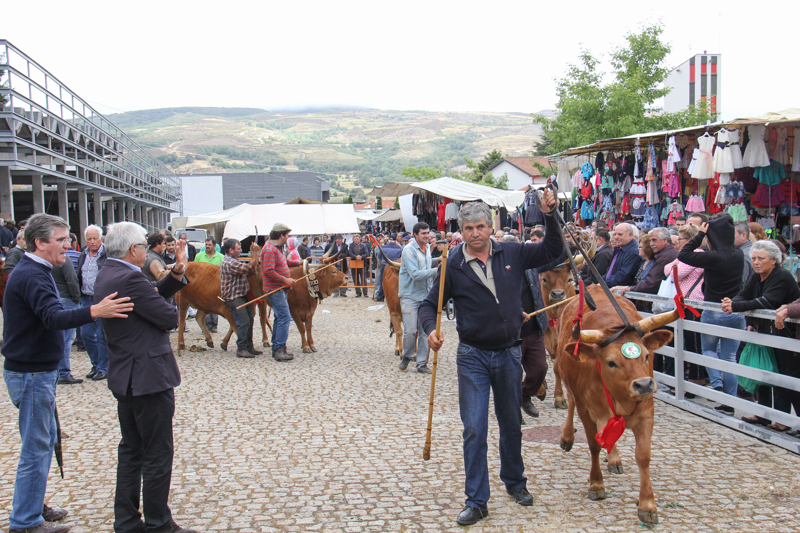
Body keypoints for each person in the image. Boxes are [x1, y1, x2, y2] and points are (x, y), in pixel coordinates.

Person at [420, 196, 564, 526]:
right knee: (474, 428)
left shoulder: (512, 253)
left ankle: (515, 483)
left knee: (511, 424)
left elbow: (552, 251)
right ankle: (477, 500)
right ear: (462, 230)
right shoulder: (451, 266)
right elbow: (430, 306)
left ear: (491, 227)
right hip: (472, 356)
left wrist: (549, 213)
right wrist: (430, 330)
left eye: (481, 226)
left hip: (510, 353)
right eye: (469, 228)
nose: (476, 233)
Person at [3, 214, 132, 533]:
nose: (69, 245)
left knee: (42, 443)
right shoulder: (32, 274)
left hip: (33, 371)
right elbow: (52, 316)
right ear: (40, 243)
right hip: (32, 373)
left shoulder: (36, 269)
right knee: (37, 447)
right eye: (61, 240)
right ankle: (25, 521)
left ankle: (32, 506)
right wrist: (94, 311)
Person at [93, 222, 197, 533]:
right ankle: (157, 522)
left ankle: (126, 520)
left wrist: (176, 273)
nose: (148, 251)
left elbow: (149, 295)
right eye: (143, 246)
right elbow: (167, 317)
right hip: (148, 377)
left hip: (126, 375)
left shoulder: (107, 272)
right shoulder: (129, 277)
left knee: (131, 450)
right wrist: (163, 302)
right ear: (132, 250)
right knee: (157, 452)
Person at [726, 240, 800, 425]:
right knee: (763, 372)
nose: (756, 262)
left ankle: (785, 420)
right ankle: (763, 414)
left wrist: (735, 306)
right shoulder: (757, 276)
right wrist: (741, 311)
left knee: (785, 378)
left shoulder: (781, 276)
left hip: (785, 334)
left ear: (774, 260)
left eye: (761, 259)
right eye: (754, 258)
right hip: (765, 332)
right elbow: (745, 294)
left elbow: (766, 301)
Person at [679, 215, 746, 412]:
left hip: (714, 309)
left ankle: (716, 385)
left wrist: (700, 234)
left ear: (711, 236)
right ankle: (729, 401)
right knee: (729, 357)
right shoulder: (738, 254)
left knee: (708, 351)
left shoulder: (713, 257)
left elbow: (684, 254)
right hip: (734, 310)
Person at [667, 224, 707, 390]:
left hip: (693, 302)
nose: (678, 242)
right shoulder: (688, 255)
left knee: (693, 342)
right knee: (685, 340)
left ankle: (697, 378)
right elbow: (668, 269)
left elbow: (674, 271)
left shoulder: (697, 254)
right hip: (685, 302)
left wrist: (675, 264)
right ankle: (688, 378)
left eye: (681, 238)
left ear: (690, 240)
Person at [398, 222, 440, 374]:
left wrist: (438, 260)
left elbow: (426, 265)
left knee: (425, 331)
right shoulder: (409, 250)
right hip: (410, 294)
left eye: (428, 232)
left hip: (425, 294)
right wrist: (437, 270)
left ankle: (421, 362)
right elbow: (415, 274)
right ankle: (407, 356)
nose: (427, 236)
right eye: (423, 233)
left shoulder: (427, 247)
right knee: (410, 330)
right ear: (415, 235)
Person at [260, 223, 302, 362]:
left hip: (279, 288)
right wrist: (285, 280)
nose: (288, 237)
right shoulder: (270, 249)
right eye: (287, 235)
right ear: (281, 235)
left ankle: (277, 347)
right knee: (284, 317)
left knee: (280, 317)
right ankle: (280, 350)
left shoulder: (276, 248)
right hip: (275, 289)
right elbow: (268, 271)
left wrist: (297, 264)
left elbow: (283, 262)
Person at [78, 224, 110, 381]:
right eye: (89, 239)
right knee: (86, 334)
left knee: (101, 335)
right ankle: (96, 364)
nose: (92, 242)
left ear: (101, 238)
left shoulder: (107, 255)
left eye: (95, 238)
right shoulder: (83, 254)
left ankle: (104, 367)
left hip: (101, 298)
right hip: (86, 298)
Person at [221, 238, 261, 359]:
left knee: (249, 318)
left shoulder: (233, 259)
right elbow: (250, 268)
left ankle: (249, 346)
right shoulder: (229, 262)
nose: (240, 250)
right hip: (233, 297)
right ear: (230, 250)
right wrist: (254, 253)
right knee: (244, 321)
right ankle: (241, 348)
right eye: (238, 249)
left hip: (240, 295)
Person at [52, 243, 83, 385]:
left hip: (56, 298)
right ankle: (63, 372)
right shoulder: (64, 260)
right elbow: (72, 281)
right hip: (68, 299)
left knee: (59, 338)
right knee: (66, 340)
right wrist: (77, 299)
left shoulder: (49, 260)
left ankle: (58, 370)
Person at [194, 238, 224, 332]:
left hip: (215, 287)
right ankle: (206, 326)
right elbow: (194, 270)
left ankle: (214, 325)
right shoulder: (199, 256)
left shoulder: (220, 257)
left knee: (215, 305)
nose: (207, 246)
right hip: (202, 286)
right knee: (204, 305)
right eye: (206, 244)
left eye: (209, 245)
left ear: (214, 246)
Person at [604, 223, 642, 288]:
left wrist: (604, 284)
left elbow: (623, 276)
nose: (616, 237)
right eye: (615, 234)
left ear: (630, 235)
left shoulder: (633, 252)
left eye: (620, 234)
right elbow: (611, 271)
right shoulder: (619, 249)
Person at [374, 233, 402, 302]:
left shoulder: (383, 247)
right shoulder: (399, 248)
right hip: (395, 267)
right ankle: (394, 296)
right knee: (395, 282)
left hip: (385, 266)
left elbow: (379, 257)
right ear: (396, 241)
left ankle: (380, 297)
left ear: (388, 240)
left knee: (383, 281)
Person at [734, 221, 754, 286]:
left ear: (743, 235)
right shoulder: (751, 249)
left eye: (731, 234)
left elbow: (741, 283)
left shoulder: (743, 255)